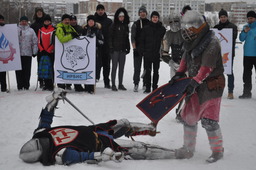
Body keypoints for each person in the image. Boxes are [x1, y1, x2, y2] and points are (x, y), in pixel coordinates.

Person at [19, 89, 176, 166]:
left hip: (93, 130)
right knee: (139, 148)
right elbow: (85, 157)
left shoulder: (41, 133)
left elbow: (46, 116)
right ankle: (176, 154)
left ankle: (150, 129)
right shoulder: (58, 154)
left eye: (38, 141)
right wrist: (107, 155)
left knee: (124, 123)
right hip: (102, 145)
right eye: (40, 145)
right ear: (41, 153)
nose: (41, 141)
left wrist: (54, 99)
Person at [169, 11, 225, 163]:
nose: (187, 30)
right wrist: (179, 74)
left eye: (191, 27)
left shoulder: (212, 42)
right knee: (189, 118)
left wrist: (194, 82)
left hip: (212, 86)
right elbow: (185, 59)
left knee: (209, 121)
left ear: (199, 27)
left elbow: (207, 68)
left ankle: (217, 150)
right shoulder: (191, 41)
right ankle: (188, 148)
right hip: (196, 84)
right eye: (186, 27)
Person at [214, 9, 238, 99]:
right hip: (218, 54)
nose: (223, 18)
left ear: (227, 17)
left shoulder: (233, 26)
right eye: (221, 17)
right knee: (217, 73)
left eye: (224, 17)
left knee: (229, 72)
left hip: (229, 54)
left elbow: (234, 37)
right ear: (219, 18)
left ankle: (230, 91)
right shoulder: (216, 27)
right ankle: (217, 90)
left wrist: (224, 30)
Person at [140, 11, 166, 93]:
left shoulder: (162, 29)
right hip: (147, 53)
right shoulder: (146, 28)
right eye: (153, 17)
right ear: (151, 18)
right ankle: (147, 87)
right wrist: (142, 51)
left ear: (158, 18)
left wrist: (163, 51)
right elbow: (142, 41)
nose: (155, 19)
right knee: (147, 71)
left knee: (156, 71)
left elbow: (165, 41)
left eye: (156, 17)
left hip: (156, 54)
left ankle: (155, 87)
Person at [55, 14, 79, 90]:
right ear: (62, 21)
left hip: (70, 52)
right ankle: (61, 84)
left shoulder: (70, 28)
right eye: (65, 20)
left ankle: (69, 83)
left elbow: (77, 36)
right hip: (61, 52)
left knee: (69, 67)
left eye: (68, 20)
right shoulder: (59, 28)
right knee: (62, 67)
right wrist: (71, 36)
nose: (67, 21)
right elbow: (61, 39)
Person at [109, 8, 130, 91]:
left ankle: (120, 84)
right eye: (120, 16)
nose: (121, 18)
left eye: (123, 16)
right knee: (114, 67)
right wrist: (111, 47)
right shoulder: (113, 25)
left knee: (121, 68)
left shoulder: (125, 26)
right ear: (117, 17)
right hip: (115, 50)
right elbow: (110, 37)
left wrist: (128, 47)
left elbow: (126, 38)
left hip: (122, 50)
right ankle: (113, 84)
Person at [82, 15, 104, 94]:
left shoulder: (98, 30)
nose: (90, 22)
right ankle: (86, 86)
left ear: (94, 22)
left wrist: (95, 40)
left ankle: (91, 87)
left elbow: (102, 42)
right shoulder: (84, 30)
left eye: (92, 21)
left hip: (95, 53)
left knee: (93, 70)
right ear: (87, 22)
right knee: (85, 70)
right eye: (89, 21)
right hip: (85, 54)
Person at [131, 6, 150, 92]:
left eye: (144, 12)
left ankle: (145, 83)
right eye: (141, 12)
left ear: (146, 13)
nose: (142, 13)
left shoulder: (149, 23)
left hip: (147, 49)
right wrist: (134, 49)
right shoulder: (135, 23)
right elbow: (132, 37)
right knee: (137, 67)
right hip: (138, 48)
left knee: (146, 68)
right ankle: (136, 83)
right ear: (139, 13)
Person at [16, 16, 38, 90]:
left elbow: (35, 41)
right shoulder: (16, 30)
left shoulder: (31, 30)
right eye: (22, 21)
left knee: (27, 70)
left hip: (27, 53)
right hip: (18, 54)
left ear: (27, 22)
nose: (24, 22)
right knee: (19, 70)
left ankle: (26, 85)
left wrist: (34, 51)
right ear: (20, 22)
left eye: (25, 21)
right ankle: (19, 85)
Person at [238, 11, 256, 99]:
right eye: (248, 18)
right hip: (247, 55)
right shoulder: (246, 27)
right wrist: (244, 32)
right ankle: (247, 92)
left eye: (251, 18)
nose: (250, 20)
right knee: (246, 75)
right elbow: (241, 39)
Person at [94, 4, 112, 88]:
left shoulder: (109, 21)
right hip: (95, 47)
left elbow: (112, 34)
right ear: (96, 11)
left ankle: (106, 82)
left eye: (102, 9)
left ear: (104, 10)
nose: (100, 11)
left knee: (106, 65)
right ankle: (93, 80)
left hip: (106, 47)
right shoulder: (92, 20)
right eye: (99, 10)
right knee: (95, 65)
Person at [162, 13, 184, 78]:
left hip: (187, 63)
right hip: (174, 62)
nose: (174, 24)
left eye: (176, 21)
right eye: (171, 22)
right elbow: (164, 53)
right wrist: (171, 63)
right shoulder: (168, 35)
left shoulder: (186, 32)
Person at [37, 14, 55, 91]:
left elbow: (54, 42)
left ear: (50, 21)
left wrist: (49, 50)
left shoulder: (54, 29)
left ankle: (51, 84)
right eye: (45, 21)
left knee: (50, 68)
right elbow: (38, 41)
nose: (46, 22)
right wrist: (42, 49)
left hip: (50, 52)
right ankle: (45, 84)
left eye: (48, 21)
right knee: (44, 68)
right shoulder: (40, 30)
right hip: (43, 52)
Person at [30, 7, 46, 89]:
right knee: (40, 65)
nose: (39, 13)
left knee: (47, 64)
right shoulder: (33, 25)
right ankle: (41, 81)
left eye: (41, 12)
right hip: (38, 48)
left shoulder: (46, 23)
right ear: (36, 14)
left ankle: (48, 80)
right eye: (38, 12)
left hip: (47, 47)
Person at [70, 14, 85, 92]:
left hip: (77, 52)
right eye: (71, 20)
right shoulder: (67, 28)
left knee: (77, 69)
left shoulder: (80, 28)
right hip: (70, 51)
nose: (73, 21)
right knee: (69, 68)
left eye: (74, 20)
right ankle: (67, 84)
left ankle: (77, 85)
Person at [0, 14, 7, 92]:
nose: (1, 21)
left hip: (3, 52)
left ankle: (3, 87)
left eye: (2, 20)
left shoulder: (6, 28)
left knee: (3, 71)